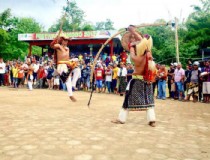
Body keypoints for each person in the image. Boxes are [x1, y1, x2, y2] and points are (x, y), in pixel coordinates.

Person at [112, 25, 156, 127]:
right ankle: (152, 120)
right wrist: (134, 32)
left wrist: (131, 45)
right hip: (146, 81)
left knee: (127, 99)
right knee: (149, 100)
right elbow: (144, 43)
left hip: (137, 81)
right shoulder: (148, 55)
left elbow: (134, 51)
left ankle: (121, 119)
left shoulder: (137, 58)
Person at [50, 31, 76, 102]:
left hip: (66, 64)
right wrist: (55, 39)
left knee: (75, 73)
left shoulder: (67, 48)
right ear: (61, 40)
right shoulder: (58, 46)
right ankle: (70, 94)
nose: (66, 42)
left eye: (67, 40)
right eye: (65, 40)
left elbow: (67, 58)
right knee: (67, 79)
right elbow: (52, 45)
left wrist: (70, 63)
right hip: (61, 65)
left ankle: (72, 90)